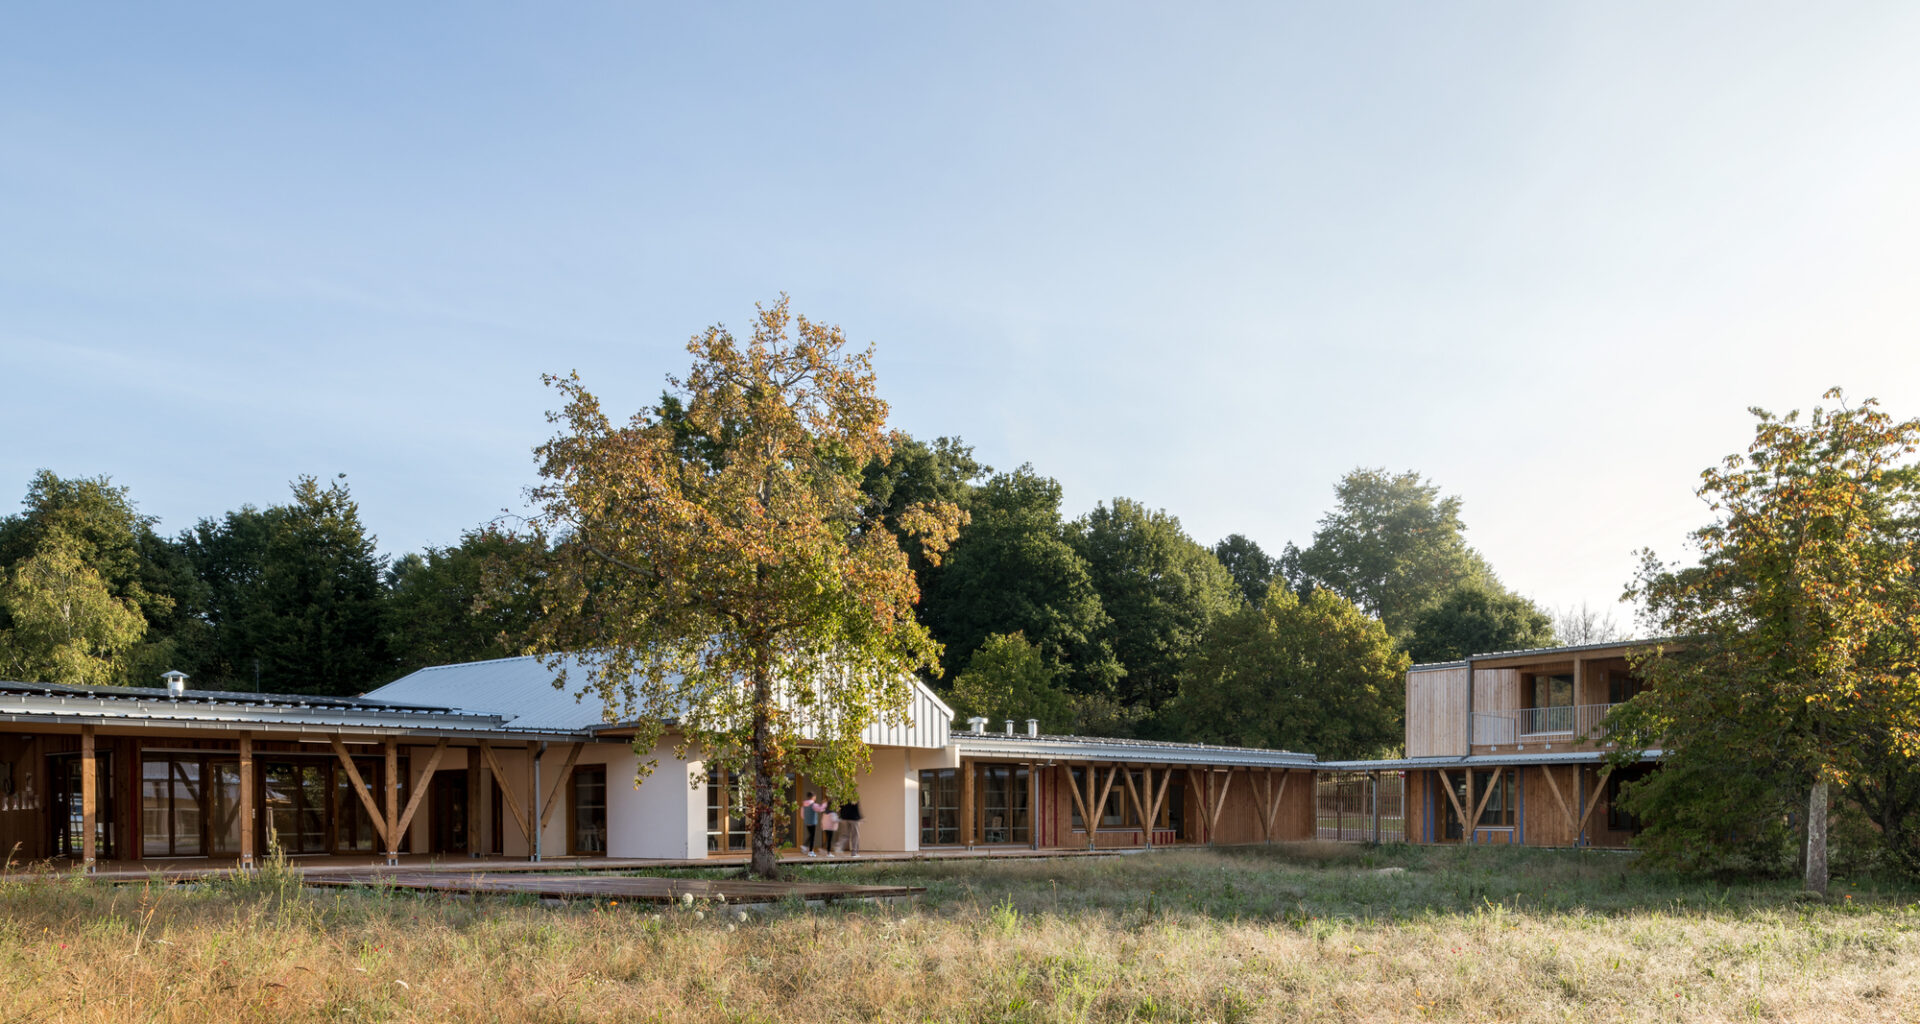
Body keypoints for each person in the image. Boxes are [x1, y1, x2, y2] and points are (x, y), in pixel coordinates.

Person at [801, 791, 823, 855]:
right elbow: (820, 809)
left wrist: (806, 818)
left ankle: (805, 846)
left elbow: (802, 815)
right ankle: (810, 851)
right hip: (812, 822)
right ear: (813, 797)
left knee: (811, 835)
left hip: (807, 822)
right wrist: (824, 805)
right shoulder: (813, 804)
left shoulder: (804, 805)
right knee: (812, 836)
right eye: (815, 797)